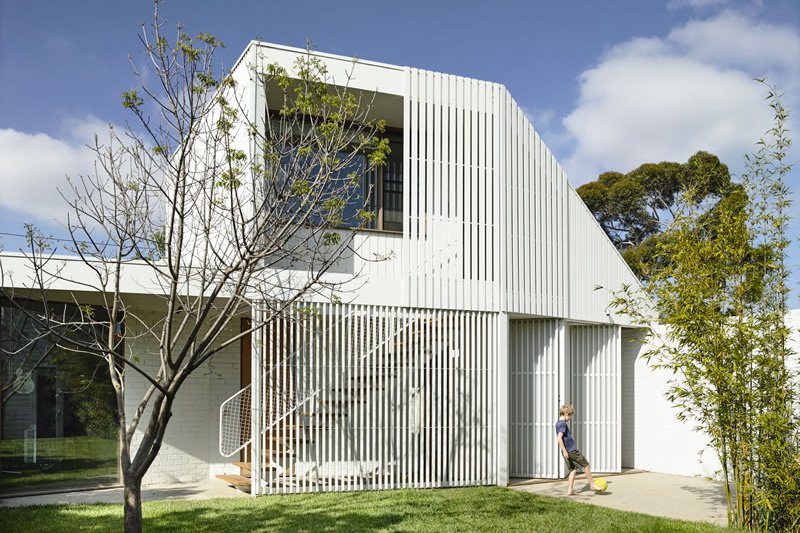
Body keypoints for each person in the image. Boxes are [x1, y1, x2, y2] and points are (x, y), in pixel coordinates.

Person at [555, 404, 601, 496]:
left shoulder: (557, 423)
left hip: (567, 451)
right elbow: (559, 438)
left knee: (573, 470)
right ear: (566, 413)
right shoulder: (563, 424)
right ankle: (592, 484)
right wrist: (565, 451)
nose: (570, 418)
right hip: (571, 451)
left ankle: (570, 490)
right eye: (570, 416)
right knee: (586, 465)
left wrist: (564, 451)